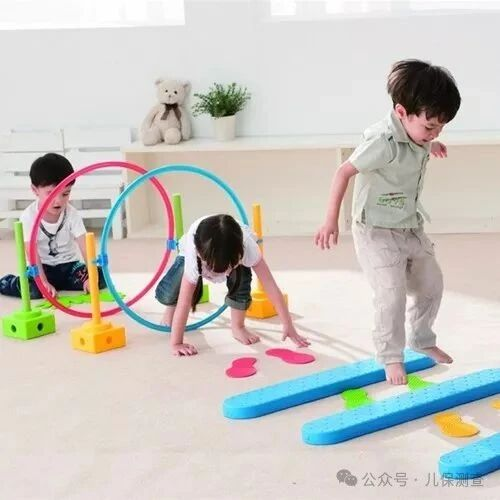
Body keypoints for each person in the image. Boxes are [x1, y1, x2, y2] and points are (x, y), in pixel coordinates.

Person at [315, 59, 461, 385]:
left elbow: (421, 137)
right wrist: (330, 221)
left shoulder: (418, 135)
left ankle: (422, 340)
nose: (434, 133)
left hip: (409, 225)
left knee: (431, 285)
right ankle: (391, 356)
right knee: (391, 295)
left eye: (440, 128)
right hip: (376, 231)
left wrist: (431, 142)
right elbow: (343, 172)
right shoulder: (382, 142)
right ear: (401, 113)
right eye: (430, 127)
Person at [155, 213, 310, 356]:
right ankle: (170, 307)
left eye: (230, 266)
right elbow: (185, 300)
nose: (226, 272)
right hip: (199, 253)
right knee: (172, 291)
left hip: (227, 248)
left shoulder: (247, 247)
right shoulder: (193, 254)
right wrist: (176, 343)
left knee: (242, 275)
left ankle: (238, 326)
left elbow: (270, 286)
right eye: (220, 269)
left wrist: (288, 325)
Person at [0, 153, 105, 299]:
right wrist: (43, 281)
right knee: (34, 290)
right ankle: (8, 282)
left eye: (65, 194)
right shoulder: (29, 216)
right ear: (35, 190)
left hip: (70, 266)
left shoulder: (71, 214)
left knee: (100, 276)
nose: (58, 201)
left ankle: (70, 282)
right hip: (42, 269)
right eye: (51, 194)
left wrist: (92, 278)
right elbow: (31, 252)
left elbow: (85, 245)